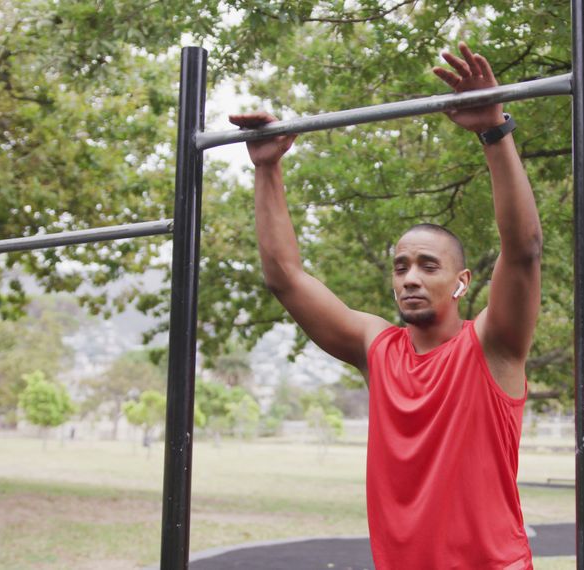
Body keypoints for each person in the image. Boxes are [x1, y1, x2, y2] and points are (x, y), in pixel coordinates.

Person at [230, 42, 542, 570]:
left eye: (428, 265)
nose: (411, 279)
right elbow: (285, 278)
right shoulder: (377, 347)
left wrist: (494, 131)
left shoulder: (494, 345)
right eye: (400, 267)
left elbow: (525, 249)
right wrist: (268, 169)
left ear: (462, 283)